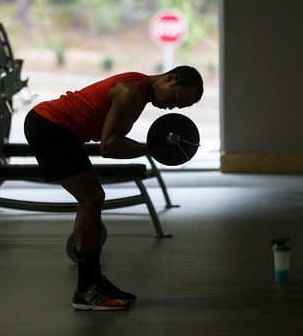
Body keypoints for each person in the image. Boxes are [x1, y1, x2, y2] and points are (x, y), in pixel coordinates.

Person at [24, 66, 203, 311]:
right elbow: (108, 147)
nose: (171, 107)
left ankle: (92, 282)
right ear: (170, 78)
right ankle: (87, 290)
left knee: (91, 199)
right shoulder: (132, 91)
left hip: (55, 128)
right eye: (174, 98)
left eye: (177, 107)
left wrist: (151, 148)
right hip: (50, 127)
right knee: (92, 198)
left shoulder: (137, 87)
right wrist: (153, 148)